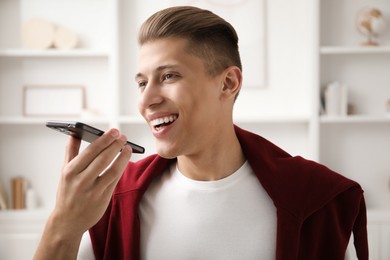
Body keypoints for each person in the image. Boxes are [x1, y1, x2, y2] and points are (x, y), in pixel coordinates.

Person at [34, 6, 368, 260]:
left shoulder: (317, 202)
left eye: (168, 76)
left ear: (228, 83)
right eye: (141, 82)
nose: (147, 100)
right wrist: (63, 224)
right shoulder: (111, 200)